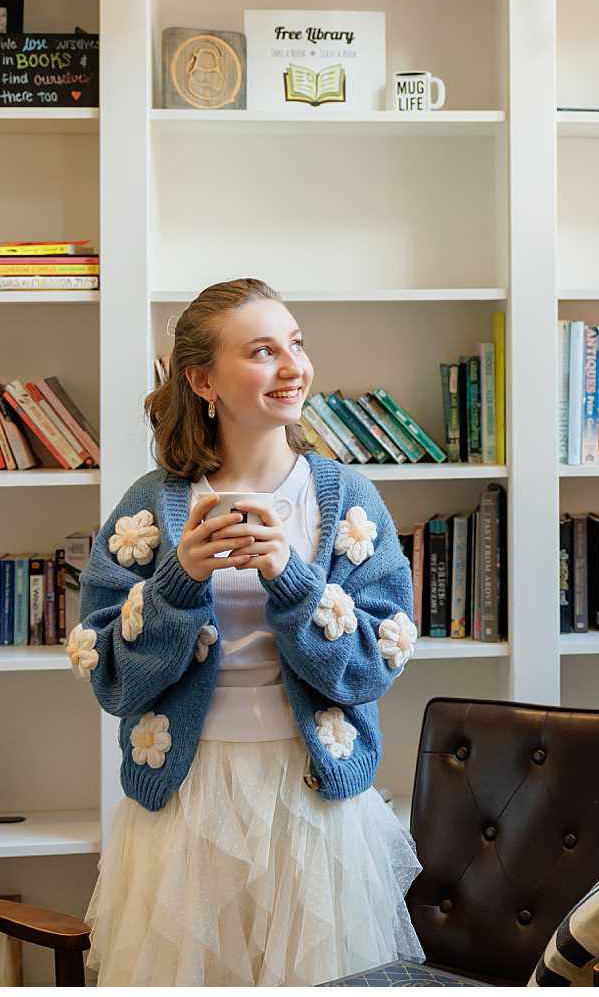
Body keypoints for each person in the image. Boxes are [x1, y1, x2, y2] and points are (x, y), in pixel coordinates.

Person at [72, 277, 423, 984]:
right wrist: (178, 580)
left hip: (313, 800)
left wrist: (292, 579)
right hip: (185, 799)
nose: (293, 366)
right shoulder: (152, 506)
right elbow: (111, 676)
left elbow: (370, 667)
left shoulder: (346, 500)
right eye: (263, 350)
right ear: (203, 379)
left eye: (296, 343)